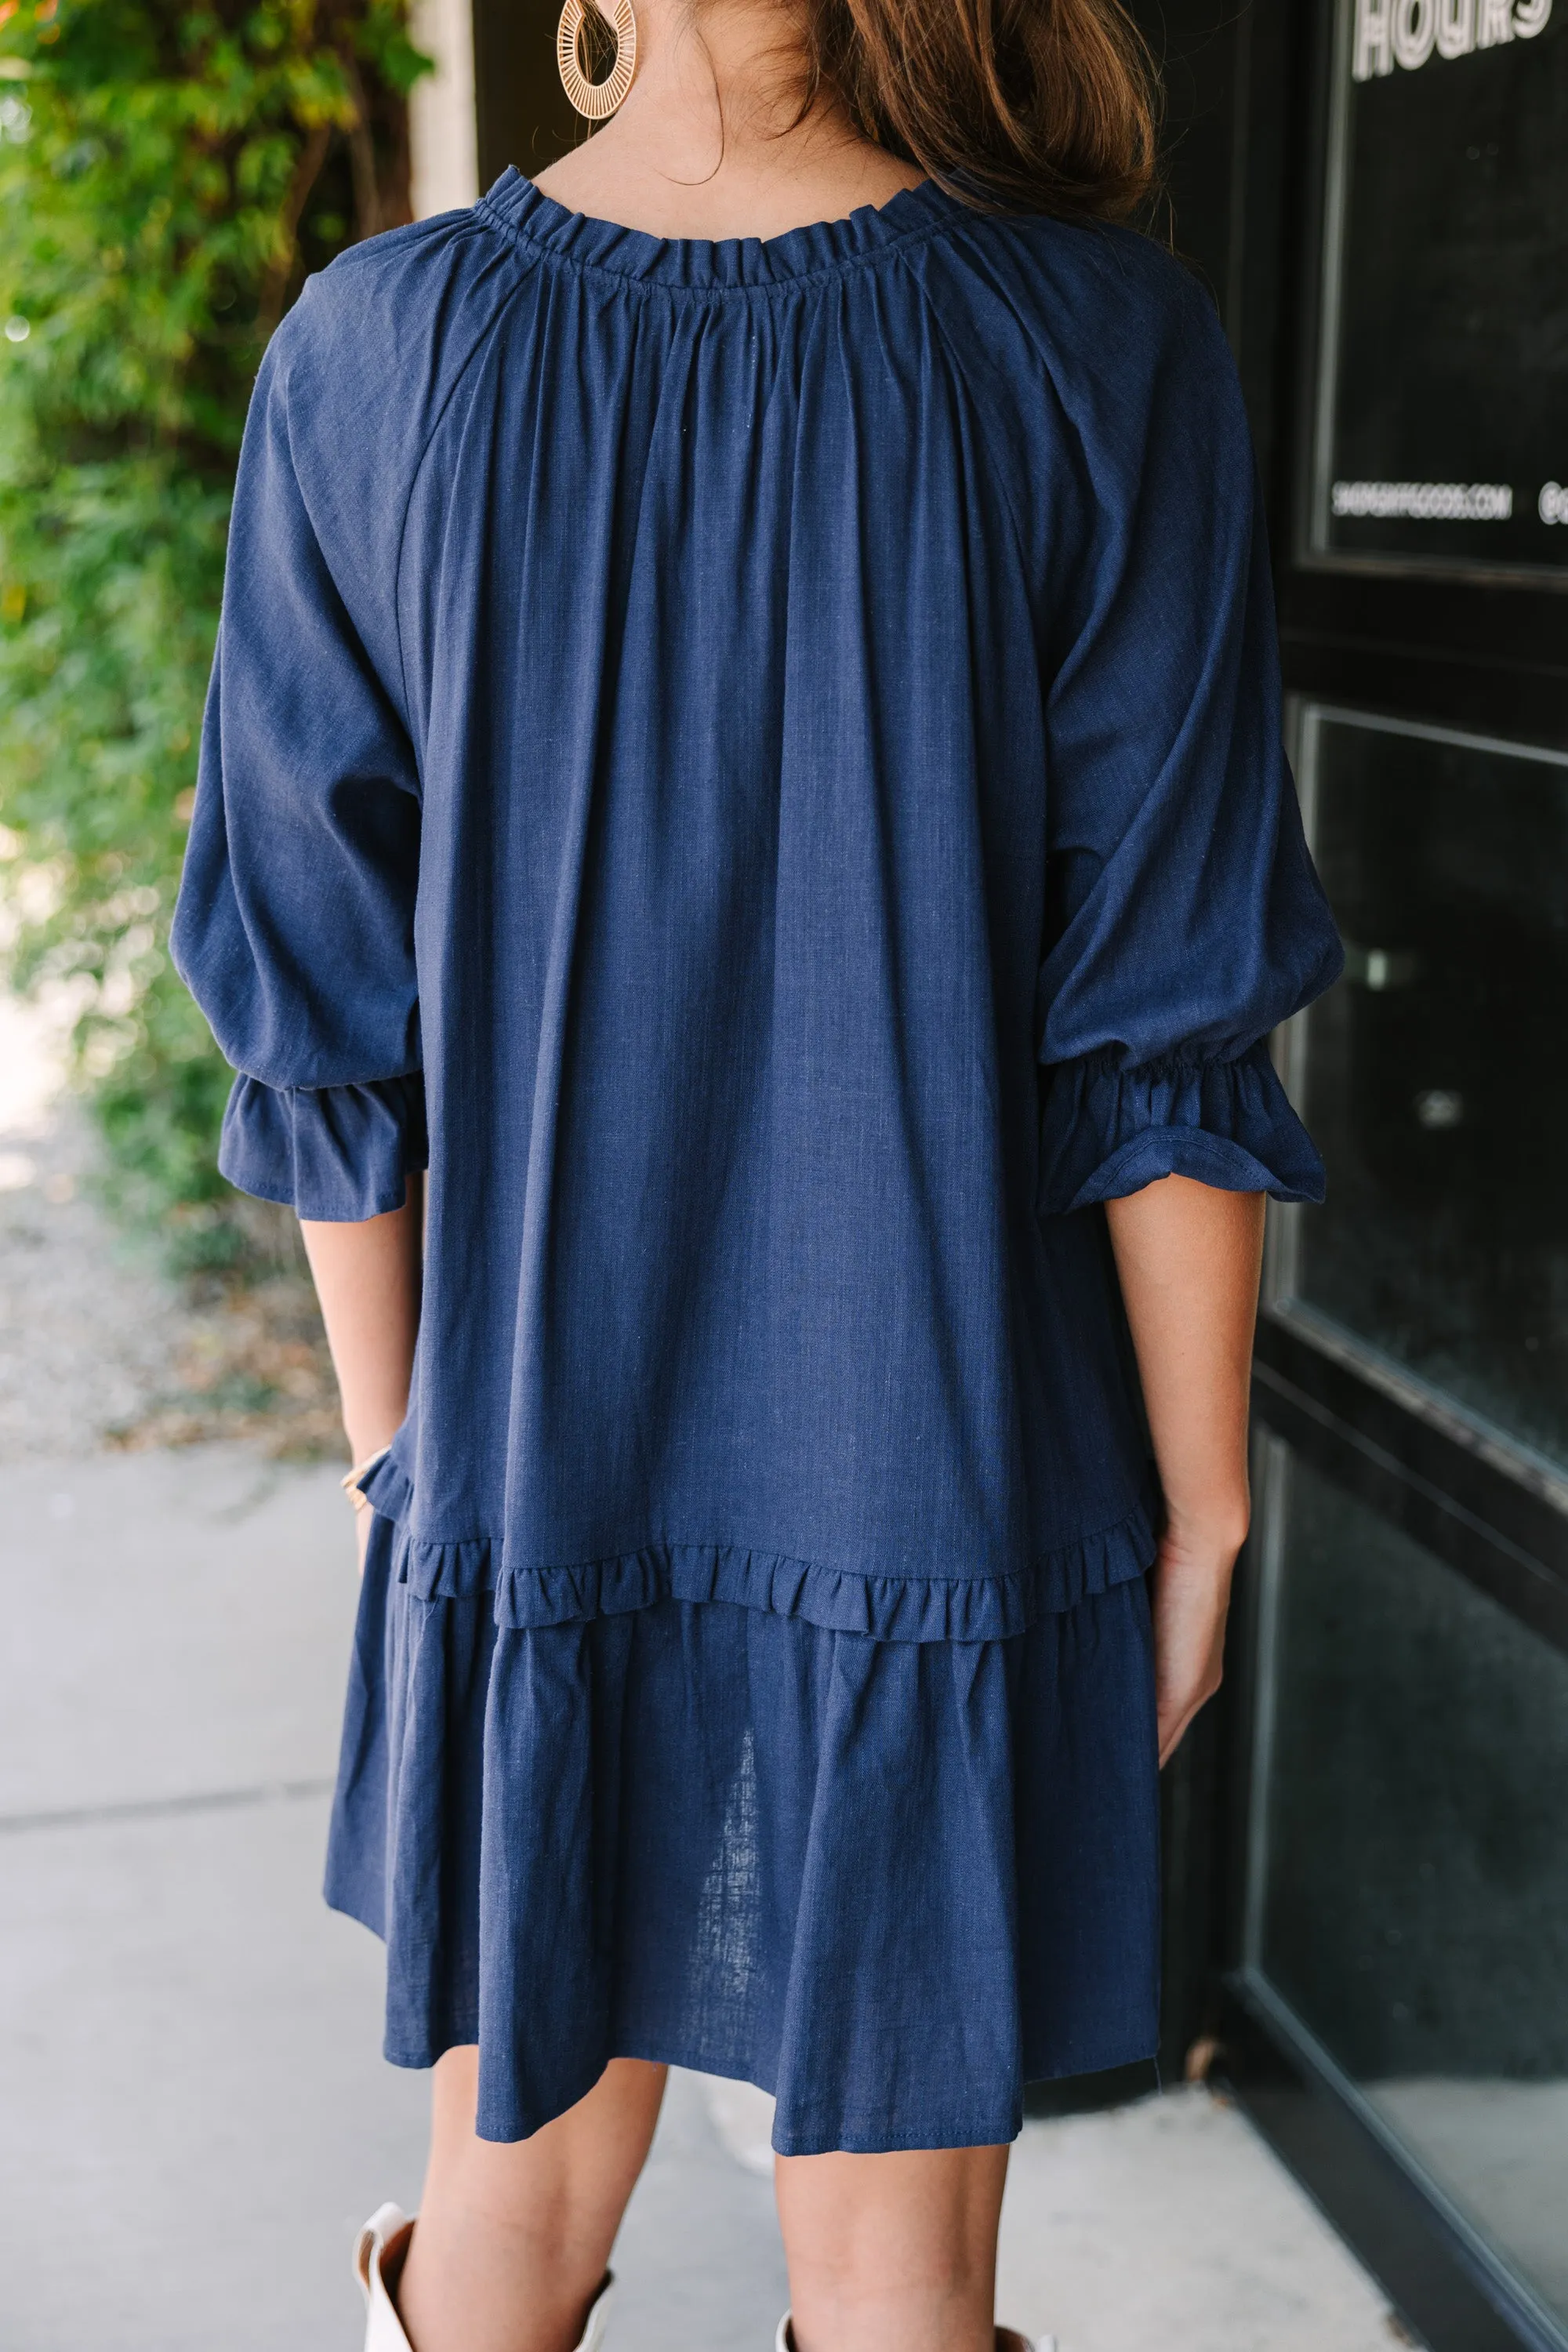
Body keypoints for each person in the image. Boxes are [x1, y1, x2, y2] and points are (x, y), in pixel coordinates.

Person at [171, 0, 1343, 2342]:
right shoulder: (1093, 343)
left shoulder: (378, 351)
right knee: (895, 2274)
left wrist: (406, 1453)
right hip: (947, 1474)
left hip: (538, 1468)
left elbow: (317, 994)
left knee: (504, 2211)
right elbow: (1166, 1003)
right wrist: (1205, 1500)